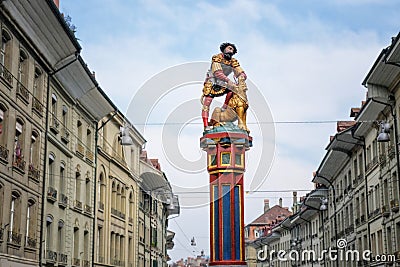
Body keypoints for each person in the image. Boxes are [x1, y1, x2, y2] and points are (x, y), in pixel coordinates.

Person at [201, 42, 247, 130]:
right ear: (224, 49)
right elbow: (217, 73)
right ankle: (206, 125)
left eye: (232, 50)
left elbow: (240, 71)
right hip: (212, 82)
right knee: (207, 104)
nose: (231, 51)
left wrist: (242, 76)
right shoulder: (217, 58)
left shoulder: (233, 61)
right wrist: (229, 81)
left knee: (233, 90)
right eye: (229, 48)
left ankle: (224, 107)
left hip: (222, 82)